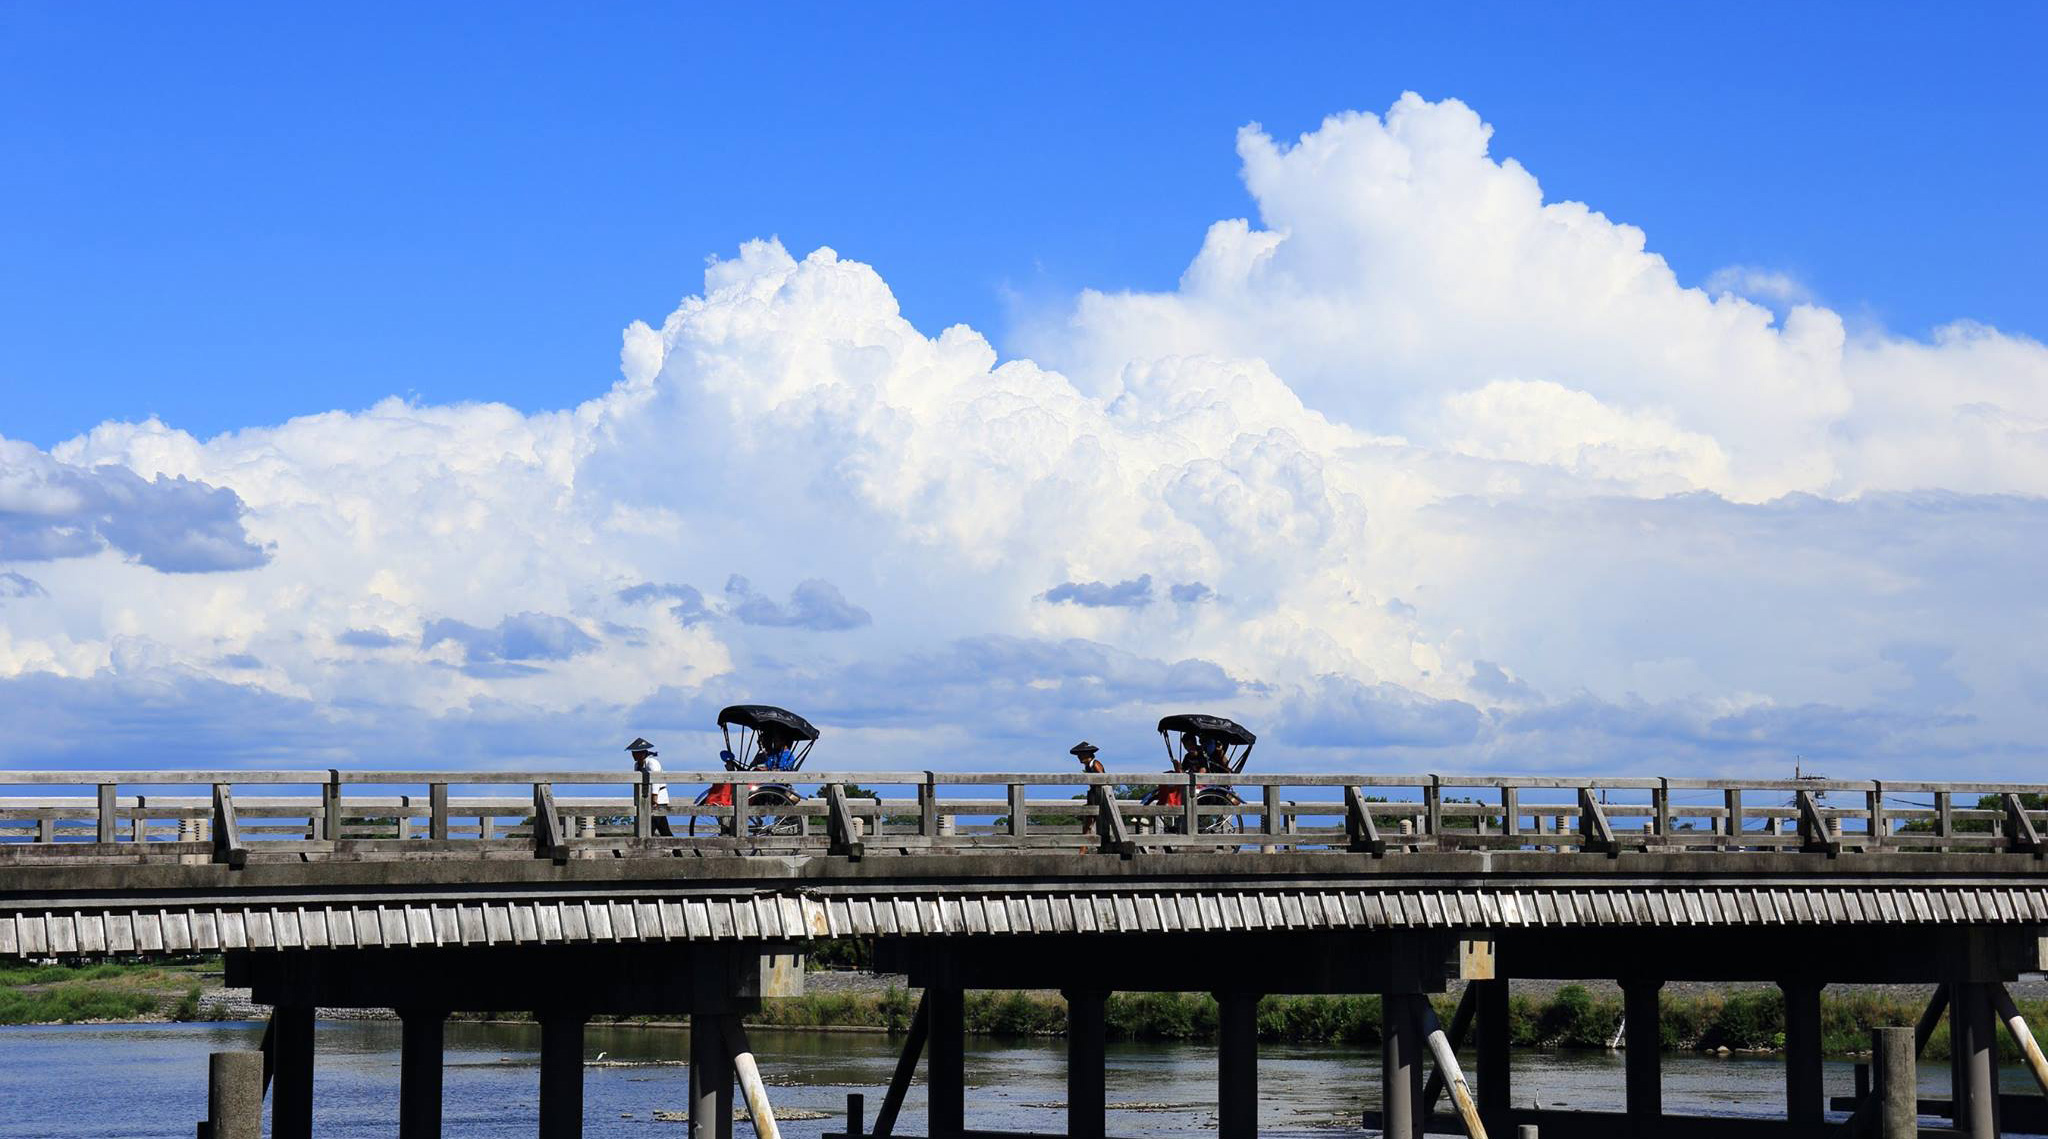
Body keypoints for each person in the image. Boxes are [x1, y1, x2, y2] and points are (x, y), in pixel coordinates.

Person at [627, 738, 673, 837]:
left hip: (658, 800)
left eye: (636, 753)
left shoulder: (652, 763)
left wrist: (654, 798)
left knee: (648, 829)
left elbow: (656, 780)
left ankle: (639, 850)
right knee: (665, 832)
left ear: (643, 753)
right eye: (633, 753)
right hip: (647, 800)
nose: (633, 755)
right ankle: (678, 852)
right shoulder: (637, 765)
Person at [1071, 741, 1105, 837]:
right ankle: (1083, 848)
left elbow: (1103, 778)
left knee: (1089, 823)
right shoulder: (1088, 766)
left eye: (1080, 755)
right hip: (1093, 796)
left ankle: (1083, 849)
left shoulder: (1095, 764)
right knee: (1087, 822)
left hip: (1098, 797)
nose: (1079, 757)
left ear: (1087, 754)